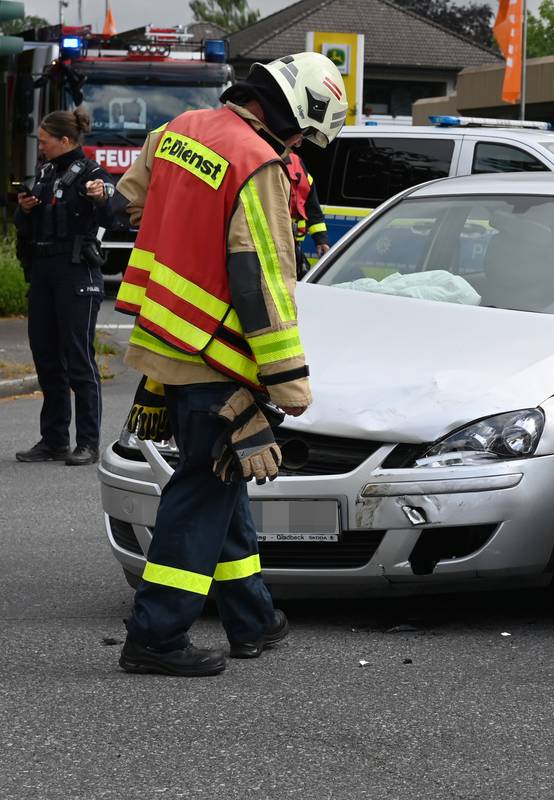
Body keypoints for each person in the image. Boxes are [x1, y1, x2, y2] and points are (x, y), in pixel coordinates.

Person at [111, 52, 347, 677]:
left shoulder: (179, 130)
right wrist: (288, 379)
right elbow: (262, 277)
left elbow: (133, 204)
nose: (298, 145)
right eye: (303, 133)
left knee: (222, 478)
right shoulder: (258, 162)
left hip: (168, 338)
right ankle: (156, 636)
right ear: (291, 114)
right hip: (215, 352)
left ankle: (252, 619)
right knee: (201, 491)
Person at [14, 109, 117, 466]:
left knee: (79, 360)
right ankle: (53, 440)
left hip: (76, 274)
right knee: (46, 358)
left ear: (65, 141)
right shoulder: (44, 173)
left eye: (44, 141)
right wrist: (24, 210)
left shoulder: (91, 174)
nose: (40, 146)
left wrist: (102, 195)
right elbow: (28, 226)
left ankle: (87, 442)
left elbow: (112, 212)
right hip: (43, 273)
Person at [285, 151, 329, 278]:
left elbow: (312, 208)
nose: (300, 141)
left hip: (293, 245)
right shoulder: (265, 158)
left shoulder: (297, 164)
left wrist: (321, 240)